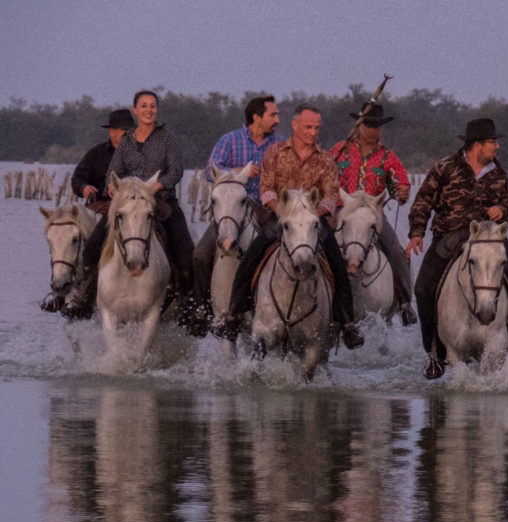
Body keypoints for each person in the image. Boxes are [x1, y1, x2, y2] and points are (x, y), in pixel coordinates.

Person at [406, 118, 508, 379]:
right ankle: (433, 353)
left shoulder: (498, 173)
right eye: (493, 142)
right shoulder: (444, 168)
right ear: (477, 145)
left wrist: (503, 210)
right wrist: (417, 233)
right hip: (449, 236)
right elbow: (422, 202)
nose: (497, 147)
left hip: (489, 236)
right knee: (422, 288)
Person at [217, 101, 365, 349]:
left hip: (313, 221)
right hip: (280, 218)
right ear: (295, 126)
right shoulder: (275, 153)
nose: (313, 132)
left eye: (316, 127)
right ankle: (233, 314)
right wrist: (284, 212)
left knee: (337, 265)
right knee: (251, 257)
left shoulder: (326, 160)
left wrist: (309, 214)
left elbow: (330, 198)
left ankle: (347, 324)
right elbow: (265, 190)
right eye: (308, 127)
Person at [66, 91, 205, 334]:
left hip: (160, 200)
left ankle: (189, 307)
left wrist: (156, 186)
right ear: (135, 110)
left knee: (186, 254)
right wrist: (113, 187)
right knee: (92, 248)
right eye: (144, 106)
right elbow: (114, 170)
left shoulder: (166, 139)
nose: (149, 110)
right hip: (127, 203)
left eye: (152, 106)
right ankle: (84, 298)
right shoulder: (127, 140)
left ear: (156, 110)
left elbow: (176, 171)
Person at [330, 102, 416, 324]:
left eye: (377, 126)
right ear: (359, 124)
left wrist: (402, 192)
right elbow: (324, 176)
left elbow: (401, 187)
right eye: (368, 125)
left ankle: (405, 302)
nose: (373, 130)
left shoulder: (388, 157)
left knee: (397, 252)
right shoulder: (339, 150)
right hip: (343, 213)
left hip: (373, 215)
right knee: (318, 247)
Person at [193, 95, 283, 308]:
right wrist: (240, 172)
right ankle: (201, 309)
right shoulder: (230, 140)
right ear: (256, 117)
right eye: (273, 115)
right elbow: (209, 172)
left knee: (287, 249)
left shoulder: (279, 144)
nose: (278, 120)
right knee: (199, 255)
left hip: (267, 208)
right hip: (232, 209)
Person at [71, 108, 134, 215]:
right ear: (112, 132)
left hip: (135, 208)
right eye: (124, 130)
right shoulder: (95, 154)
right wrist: (84, 188)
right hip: (102, 209)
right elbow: (78, 178)